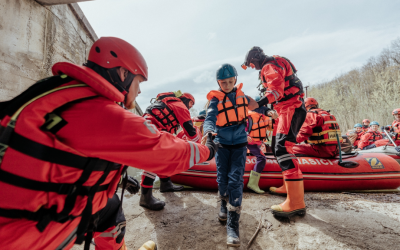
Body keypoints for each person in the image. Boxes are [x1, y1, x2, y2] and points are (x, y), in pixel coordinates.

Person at [0, 37, 218, 250]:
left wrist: (118, 176)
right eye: (139, 82)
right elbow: (167, 152)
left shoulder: (56, 91)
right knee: (108, 207)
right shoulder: (101, 112)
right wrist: (207, 151)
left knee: (111, 206)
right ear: (123, 74)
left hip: (22, 207)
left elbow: (59, 156)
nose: (139, 91)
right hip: (26, 233)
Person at [242, 46, 307, 217]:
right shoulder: (275, 63)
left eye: (250, 64)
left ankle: (296, 202)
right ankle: (288, 187)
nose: (251, 67)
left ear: (255, 59)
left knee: (283, 149)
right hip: (288, 108)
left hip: (290, 108)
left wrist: (259, 103)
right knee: (280, 148)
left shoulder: (268, 66)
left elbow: (276, 91)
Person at [201, 63, 258, 247]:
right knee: (222, 178)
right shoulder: (215, 100)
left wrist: (270, 108)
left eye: (230, 81)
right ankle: (223, 205)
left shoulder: (243, 96)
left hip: (240, 143)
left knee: (235, 180)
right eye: (223, 82)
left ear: (236, 80)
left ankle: (233, 225)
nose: (226, 85)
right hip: (221, 144)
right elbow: (210, 118)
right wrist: (208, 132)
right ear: (218, 83)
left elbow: (258, 106)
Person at [140, 91, 201, 210]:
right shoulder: (181, 106)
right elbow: (190, 131)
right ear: (186, 100)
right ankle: (145, 196)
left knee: (164, 156)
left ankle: (165, 183)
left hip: (151, 126)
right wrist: (201, 148)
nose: (190, 107)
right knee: (155, 160)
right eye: (191, 104)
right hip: (151, 128)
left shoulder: (171, 104)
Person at [246, 101, 272, 194]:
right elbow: (244, 127)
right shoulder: (249, 116)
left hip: (257, 142)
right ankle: (252, 183)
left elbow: (270, 128)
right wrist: (245, 135)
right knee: (262, 158)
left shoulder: (265, 117)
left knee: (255, 156)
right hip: (249, 143)